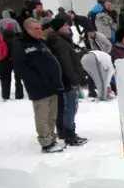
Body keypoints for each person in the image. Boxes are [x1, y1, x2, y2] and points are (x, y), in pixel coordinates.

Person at [12, 18, 65, 153]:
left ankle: (52, 137)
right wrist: (36, 80)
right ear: (27, 30)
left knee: (52, 115)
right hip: (38, 87)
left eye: (39, 28)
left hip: (53, 84)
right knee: (42, 115)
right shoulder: (20, 45)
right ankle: (46, 142)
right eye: (35, 29)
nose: (39, 31)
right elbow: (20, 67)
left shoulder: (41, 42)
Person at [46, 17, 87, 147]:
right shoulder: (60, 43)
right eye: (65, 25)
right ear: (58, 28)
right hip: (67, 80)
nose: (68, 27)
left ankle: (65, 132)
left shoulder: (60, 40)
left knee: (67, 107)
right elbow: (66, 64)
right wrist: (75, 79)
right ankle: (69, 134)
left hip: (64, 79)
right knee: (70, 107)